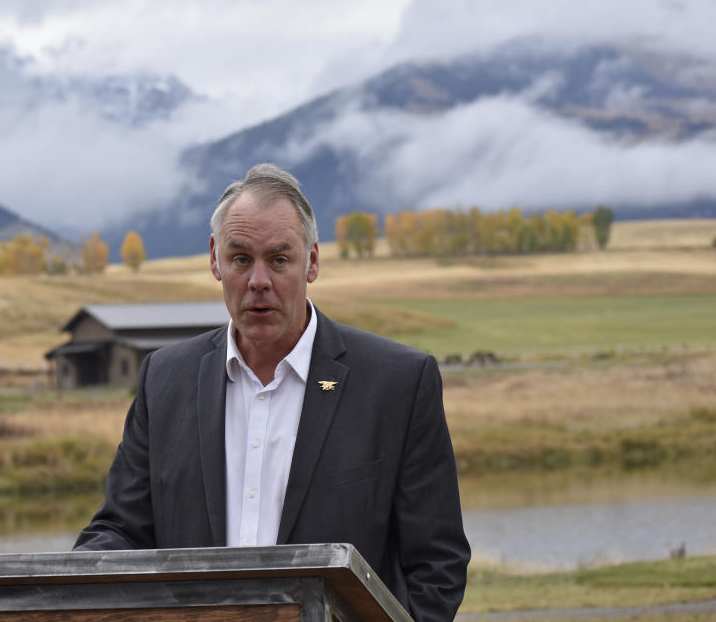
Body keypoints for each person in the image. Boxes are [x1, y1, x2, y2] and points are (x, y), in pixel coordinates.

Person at [74, 164, 469, 622]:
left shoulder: (398, 382)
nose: (258, 280)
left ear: (312, 262)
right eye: (241, 258)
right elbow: (119, 532)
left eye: (279, 260)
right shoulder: (164, 379)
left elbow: (437, 566)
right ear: (215, 260)